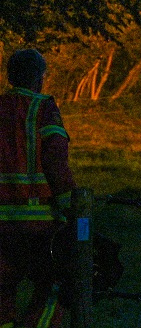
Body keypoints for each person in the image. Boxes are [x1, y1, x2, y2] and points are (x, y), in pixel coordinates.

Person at [1, 49, 76, 328]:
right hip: (36, 224)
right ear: (38, 78)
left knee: (2, 291)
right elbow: (55, 159)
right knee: (55, 285)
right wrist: (74, 207)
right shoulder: (42, 107)